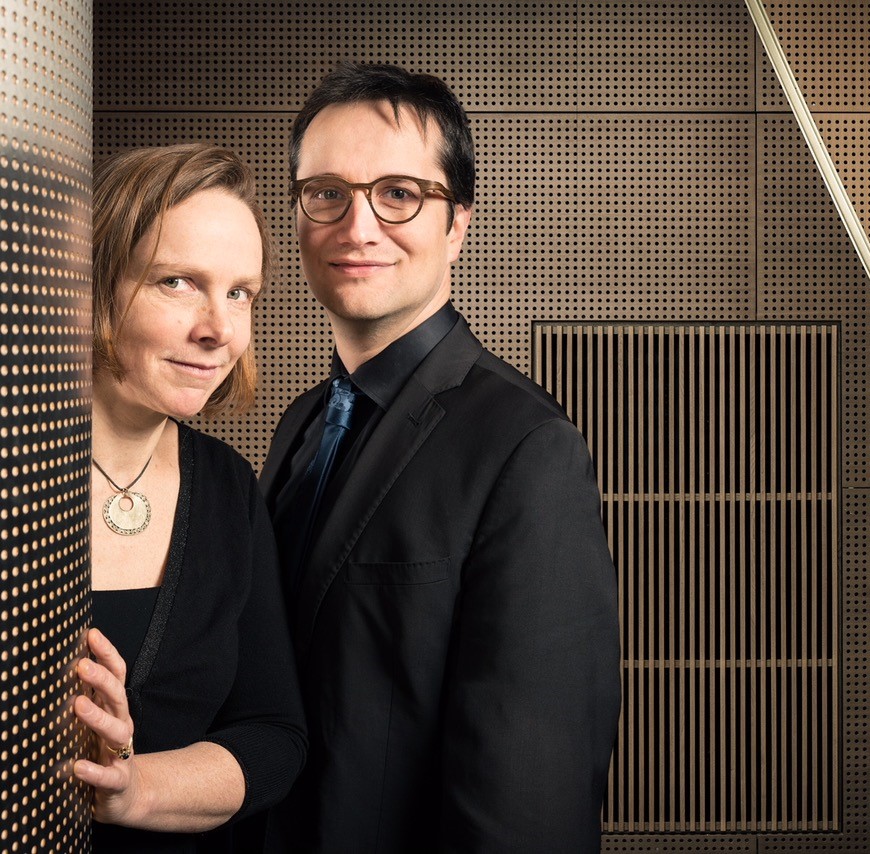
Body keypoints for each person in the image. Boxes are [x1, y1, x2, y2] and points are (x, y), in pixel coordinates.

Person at [260, 63, 620, 852]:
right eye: (326, 193)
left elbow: (531, 804)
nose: (357, 227)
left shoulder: (527, 448)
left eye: (398, 194)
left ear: (457, 224)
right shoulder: (301, 425)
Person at [75, 143, 307, 852]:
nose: (219, 331)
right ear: (95, 283)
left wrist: (135, 788)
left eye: (240, 293)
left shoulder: (230, 488)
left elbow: (273, 736)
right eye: (177, 282)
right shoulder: (18, 476)